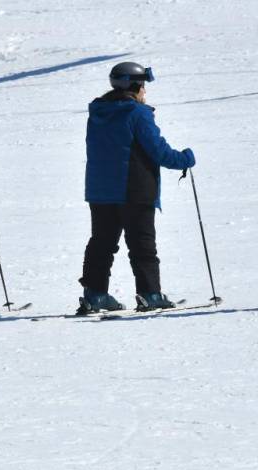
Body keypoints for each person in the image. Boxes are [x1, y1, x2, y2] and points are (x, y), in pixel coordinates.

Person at [78, 62, 196, 314]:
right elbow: (158, 151)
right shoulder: (137, 114)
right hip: (134, 189)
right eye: (143, 86)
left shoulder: (98, 112)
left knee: (102, 243)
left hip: (100, 190)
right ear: (134, 86)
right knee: (142, 244)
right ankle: (149, 293)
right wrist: (185, 159)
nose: (145, 92)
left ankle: (95, 294)